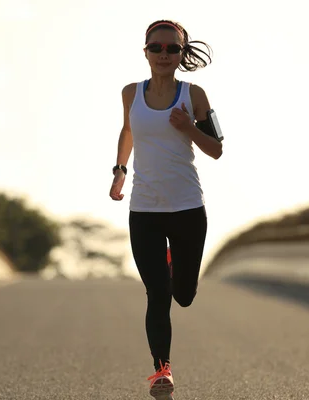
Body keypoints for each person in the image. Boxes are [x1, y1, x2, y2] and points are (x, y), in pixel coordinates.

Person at [109, 19, 223, 399]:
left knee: (184, 294)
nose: (163, 54)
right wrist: (120, 171)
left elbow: (217, 148)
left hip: (188, 207)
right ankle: (161, 371)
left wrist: (189, 127)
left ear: (181, 54)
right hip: (144, 210)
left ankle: (176, 264)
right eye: (156, 48)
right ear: (145, 52)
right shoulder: (131, 93)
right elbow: (128, 131)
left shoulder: (195, 95)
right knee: (157, 294)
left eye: (171, 49)